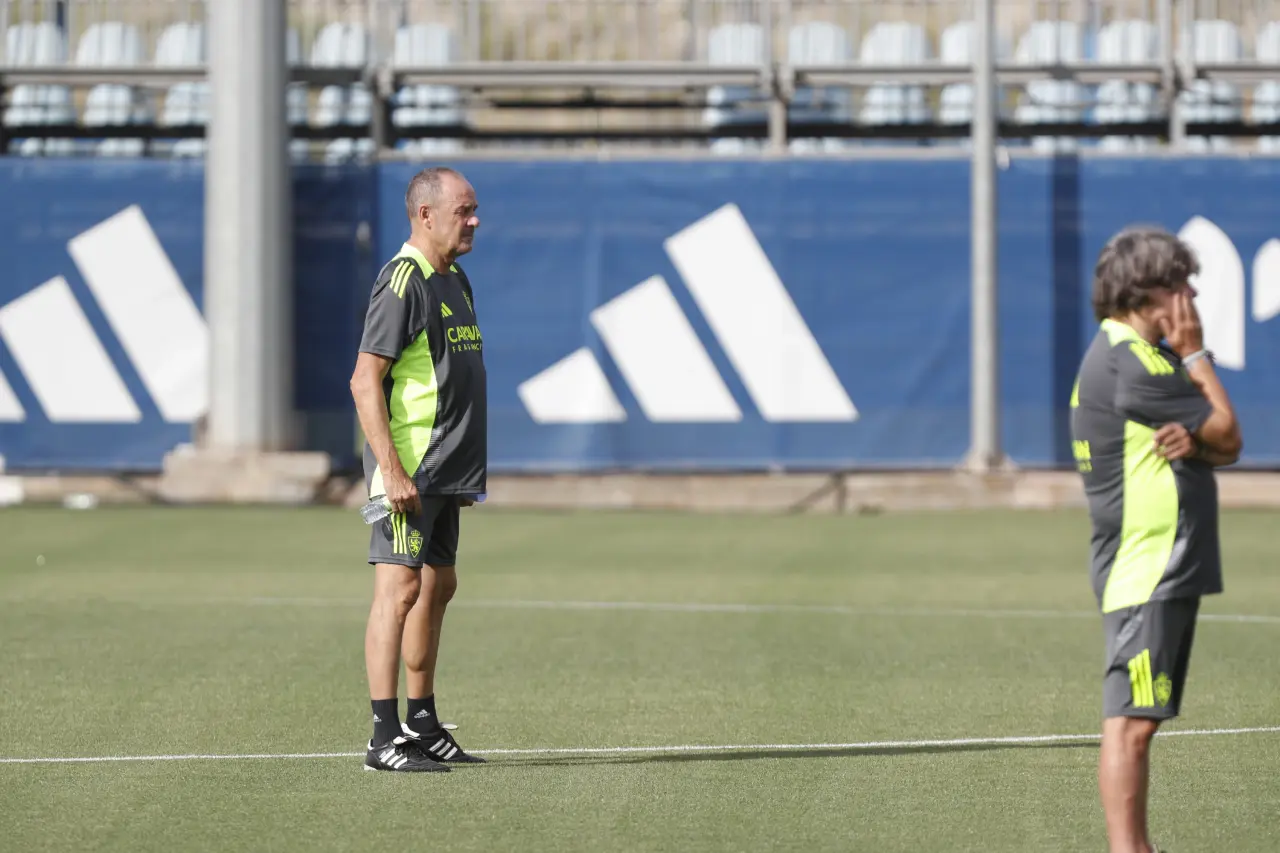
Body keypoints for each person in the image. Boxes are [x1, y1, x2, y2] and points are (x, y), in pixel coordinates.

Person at [1070, 226, 1243, 852]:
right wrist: (1196, 354)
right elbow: (1230, 436)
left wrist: (1194, 441)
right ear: (1145, 291)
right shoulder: (1139, 362)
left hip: (1153, 563)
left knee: (1136, 721)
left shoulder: (1132, 353)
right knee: (1132, 724)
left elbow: (1213, 446)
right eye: (1179, 283)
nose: (1190, 295)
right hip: (1149, 565)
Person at [349, 166, 488, 772]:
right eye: (463, 210)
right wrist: (393, 470)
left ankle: (423, 721)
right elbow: (364, 381)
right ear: (425, 215)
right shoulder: (402, 281)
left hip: (445, 472)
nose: (474, 220)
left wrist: (461, 474)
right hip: (409, 469)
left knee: (439, 585)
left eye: (474, 209)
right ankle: (383, 738)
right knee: (400, 590)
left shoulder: (455, 279)